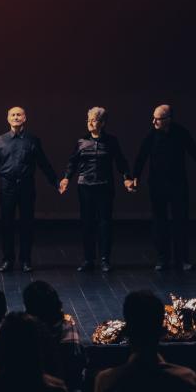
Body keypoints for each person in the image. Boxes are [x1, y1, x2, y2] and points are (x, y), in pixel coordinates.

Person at [130, 103, 196, 271]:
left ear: (168, 120)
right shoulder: (151, 135)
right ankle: (162, 259)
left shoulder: (181, 133)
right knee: (159, 222)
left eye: (158, 119)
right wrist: (135, 178)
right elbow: (141, 157)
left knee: (180, 222)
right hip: (157, 186)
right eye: (153, 118)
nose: (154, 122)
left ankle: (182, 259)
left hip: (178, 185)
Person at [0, 106, 58, 273]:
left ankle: (26, 260)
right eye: (12, 115)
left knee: (27, 225)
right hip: (7, 187)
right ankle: (7, 260)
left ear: (25, 118)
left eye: (19, 114)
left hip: (27, 187)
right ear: (8, 119)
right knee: (6, 225)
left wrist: (56, 182)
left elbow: (44, 164)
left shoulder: (33, 140)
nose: (16, 117)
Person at [59, 107, 132, 272]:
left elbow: (121, 161)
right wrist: (66, 178)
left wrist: (127, 178)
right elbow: (72, 162)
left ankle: (105, 259)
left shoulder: (111, 141)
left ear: (103, 123)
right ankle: (88, 259)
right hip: (85, 187)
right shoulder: (81, 142)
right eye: (88, 120)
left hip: (104, 187)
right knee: (87, 224)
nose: (90, 123)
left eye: (94, 120)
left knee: (105, 224)